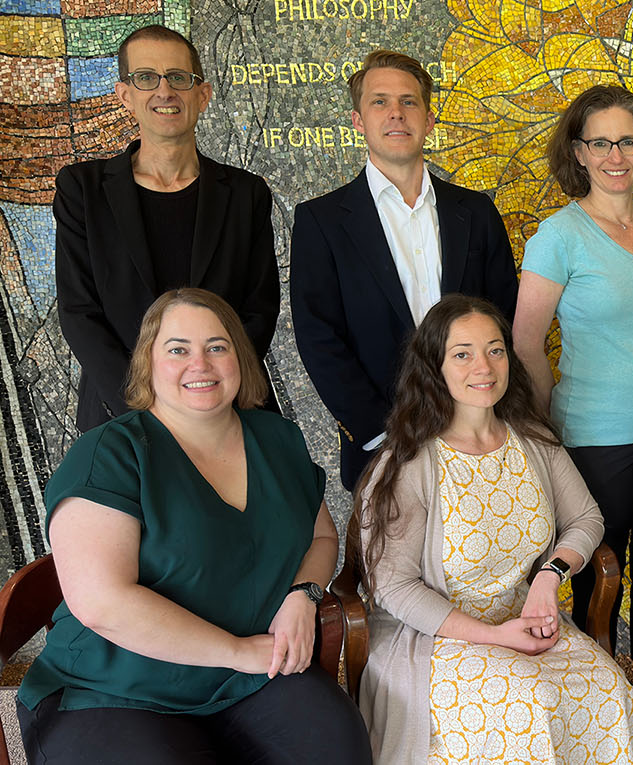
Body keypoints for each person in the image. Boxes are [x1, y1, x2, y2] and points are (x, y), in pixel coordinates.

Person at [16, 288, 369, 764]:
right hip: (114, 687)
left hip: (249, 677)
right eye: (178, 349)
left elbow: (322, 537)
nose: (199, 364)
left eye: (216, 347)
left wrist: (302, 596)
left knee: (337, 747)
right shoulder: (111, 454)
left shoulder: (278, 438)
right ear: (149, 363)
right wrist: (238, 651)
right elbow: (101, 603)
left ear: (239, 358)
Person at [353, 295, 633, 764]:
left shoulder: (531, 438)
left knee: (609, 692)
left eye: (495, 349)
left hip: (528, 620)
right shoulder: (409, 462)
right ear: (434, 366)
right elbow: (392, 586)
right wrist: (494, 637)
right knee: (522, 705)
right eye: (462, 353)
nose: (484, 366)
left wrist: (549, 576)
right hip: (438, 640)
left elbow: (586, 518)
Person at [513, 84, 633, 675]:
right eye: (601, 143)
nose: (616, 156)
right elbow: (525, 343)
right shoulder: (557, 236)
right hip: (592, 436)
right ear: (579, 153)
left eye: (628, 141)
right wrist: (542, 428)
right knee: (598, 574)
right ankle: (600, 689)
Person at [291, 49, 519, 491]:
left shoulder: (476, 212)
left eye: (409, 101)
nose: (396, 113)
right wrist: (383, 435)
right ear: (358, 120)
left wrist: (487, 418)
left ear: (429, 119)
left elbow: (504, 317)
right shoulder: (321, 221)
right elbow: (319, 338)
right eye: (380, 102)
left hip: (480, 436)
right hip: (383, 447)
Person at [55, 25, 279, 433]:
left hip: (228, 413)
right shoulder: (82, 191)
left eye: (179, 77)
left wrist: (210, 395)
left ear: (203, 95)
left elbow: (259, 311)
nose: (164, 91)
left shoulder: (246, 193)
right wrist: (144, 411)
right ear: (126, 95)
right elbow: (79, 313)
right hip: (121, 418)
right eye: (146, 78)